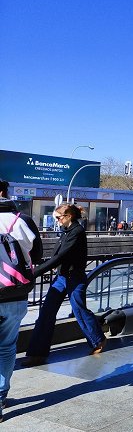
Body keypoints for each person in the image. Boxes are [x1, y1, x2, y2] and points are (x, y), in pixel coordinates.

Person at [24, 204, 107, 367]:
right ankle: (37, 353)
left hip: (74, 277)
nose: (57, 220)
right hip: (62, 277)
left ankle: (98, 340)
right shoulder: (66, 232)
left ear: (69, 216)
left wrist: (34, 273)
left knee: (79, 310)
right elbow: (56, 256)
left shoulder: (77, 232)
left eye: (58, 217)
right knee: (47, 312)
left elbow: (60, 256)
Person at [0, 180, 42, 421]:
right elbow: (36, 255)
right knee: (6, 348)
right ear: (4, 192)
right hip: (15, 294)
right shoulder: (22, 220)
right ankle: (0, 396)